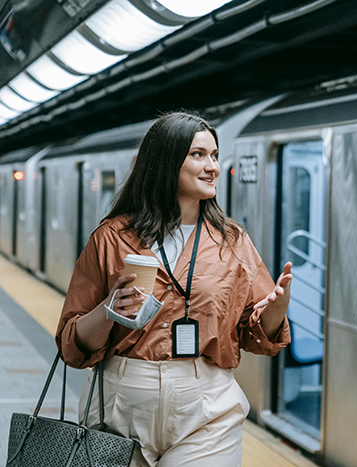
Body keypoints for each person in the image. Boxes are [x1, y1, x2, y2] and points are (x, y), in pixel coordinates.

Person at [55, 111, 292, 467]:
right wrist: (108, 310)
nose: (212, 165)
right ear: (165, 162)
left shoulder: (232, 241)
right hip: (119, 408)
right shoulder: (112, 239)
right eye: (198, 155)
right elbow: (71, 345)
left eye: (214, 154)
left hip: (206, 406)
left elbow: (255, 335)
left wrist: (276, 307)